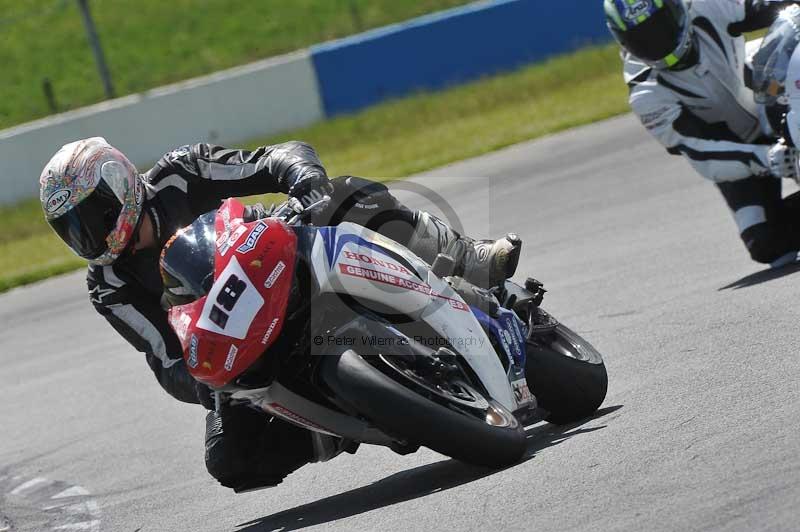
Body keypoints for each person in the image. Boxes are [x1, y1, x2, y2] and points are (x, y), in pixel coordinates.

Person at [39, 136, 521, 491]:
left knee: (345, 196)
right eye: (72, 230)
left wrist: (302, 179)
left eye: (92, 218)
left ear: (118, 185)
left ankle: (466, 257)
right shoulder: (109, 286)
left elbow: (272, 158)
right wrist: (209, 383)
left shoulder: (179, 174)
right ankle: (333, 426)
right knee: (230, 461)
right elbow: (165, 362)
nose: (88, 238)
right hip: (236, 344)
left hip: (277, 257)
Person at [604, 0, 800, 267]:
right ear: (622, 39)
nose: (658, 41)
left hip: (768, 97)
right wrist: (767, 158)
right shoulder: (645, 92)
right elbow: (700, 151)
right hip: (736, 149)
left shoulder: (707, 6)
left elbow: (774, 5)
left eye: (662, 27)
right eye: (643, 38)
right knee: (766, 243)